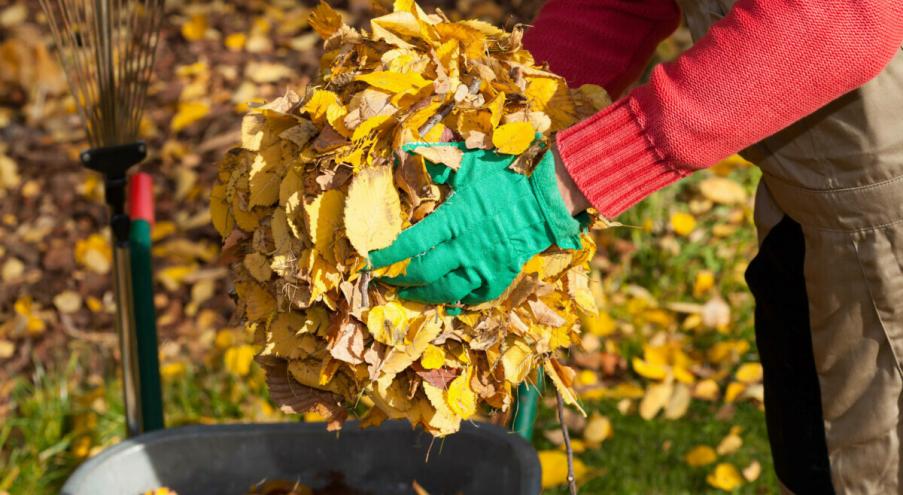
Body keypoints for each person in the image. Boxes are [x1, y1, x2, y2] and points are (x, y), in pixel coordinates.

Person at [369, 1, 903, 492]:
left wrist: (561, 182)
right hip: (817, 205)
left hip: (884, 227)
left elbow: (845, 14)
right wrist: (515, 111)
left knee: (864, 472)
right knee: (815, 457)